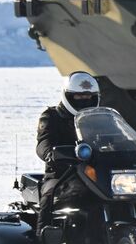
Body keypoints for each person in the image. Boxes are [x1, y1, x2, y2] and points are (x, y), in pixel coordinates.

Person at [35, 72, 101, 228]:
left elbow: (115, 137)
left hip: (95, 174)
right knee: (50, 194)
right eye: (79, 96)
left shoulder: (100, 118)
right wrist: (50, 153)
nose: (85, 99)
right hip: (62, 173)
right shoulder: (51, 116)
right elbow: (43, 142)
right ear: (68, 96)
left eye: (89, 96)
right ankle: (44, 237)